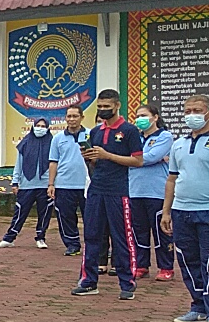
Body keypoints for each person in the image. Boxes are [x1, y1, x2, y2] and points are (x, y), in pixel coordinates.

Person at [74, 89, 144, 299]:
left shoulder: (129, 131)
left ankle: (127, 283)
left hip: (118, 190)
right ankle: (89, 281)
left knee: (121, 236)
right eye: (100, 107)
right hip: (96, 189)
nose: (103, 110)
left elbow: (138, 161)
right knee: (92, 235)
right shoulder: (95, 132)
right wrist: (90, 156)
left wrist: (108, 155)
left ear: (117, 105)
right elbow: (96, 161)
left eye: (107, 107)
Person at [160, 93, 209, 322]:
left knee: (207, 261)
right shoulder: (179, 144)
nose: (192, 116)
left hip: (206, 210)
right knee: (188, 260)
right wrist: (166, 211)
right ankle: (198, 306)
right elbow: (172, 179)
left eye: (197, 111)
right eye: (188, 111)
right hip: (181, 211)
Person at [129, 104, 174, 280]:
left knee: (161, 231)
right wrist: (137, 159)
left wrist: (133, 159)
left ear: (155, 117)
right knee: (138, 231)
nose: (140, 118)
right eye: (138, 115)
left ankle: (166, 267)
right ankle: (141, 265)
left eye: (144, 115)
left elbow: (150, 157)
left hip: (156, 192)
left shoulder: (165, 136)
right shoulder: (134, 137)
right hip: (135, 190)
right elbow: (139, 158)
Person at [0, 118, 54, 249]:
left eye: (43, 126)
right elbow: (19, 164)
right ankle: (9, 238)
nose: (40, 128)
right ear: (33, 127)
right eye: (38, 125)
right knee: (20, 211)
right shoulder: (26, 142)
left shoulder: (52, 143)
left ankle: (41, 237)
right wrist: (15, 182)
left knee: (44, 213)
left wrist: (53, 184)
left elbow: (56, 164)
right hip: (27, 183)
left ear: (48, 128)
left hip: (45, 184)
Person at [47, 105, 90, 256]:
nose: (71, 119)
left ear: (82, 117)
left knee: (92, 217)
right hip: (64, 183)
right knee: (65, 216)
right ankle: (72, 244)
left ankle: (95, 246)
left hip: (87, 185)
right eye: (69, 116)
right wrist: (51, 184)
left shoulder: (91, 135)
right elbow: (53, 162)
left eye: (75, 116)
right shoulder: (58, 138)